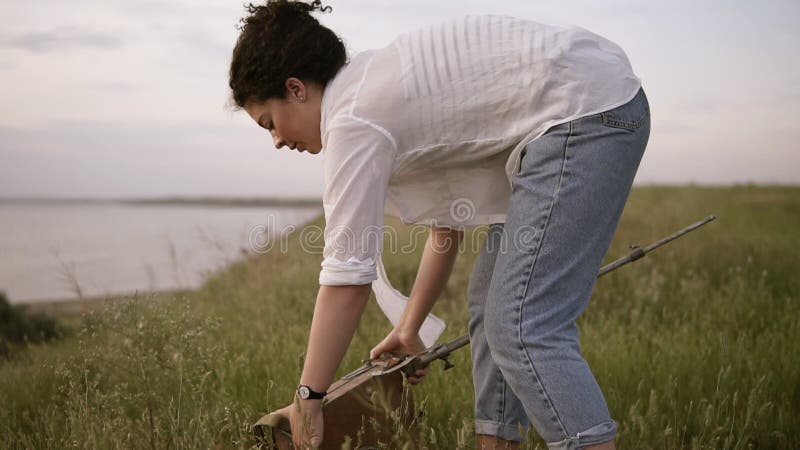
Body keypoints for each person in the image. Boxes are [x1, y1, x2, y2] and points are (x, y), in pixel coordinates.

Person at [229, 1, 650, 448]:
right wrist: (409, 327)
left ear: (296, 89)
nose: (276, 140)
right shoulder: (370, 91)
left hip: (586, 111)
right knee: (490, 310)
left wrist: (308, 397)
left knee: (522, 324)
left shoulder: (354, 119)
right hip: (579, 109)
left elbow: (346, 280)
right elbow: (446, 226)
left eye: (269, 123)